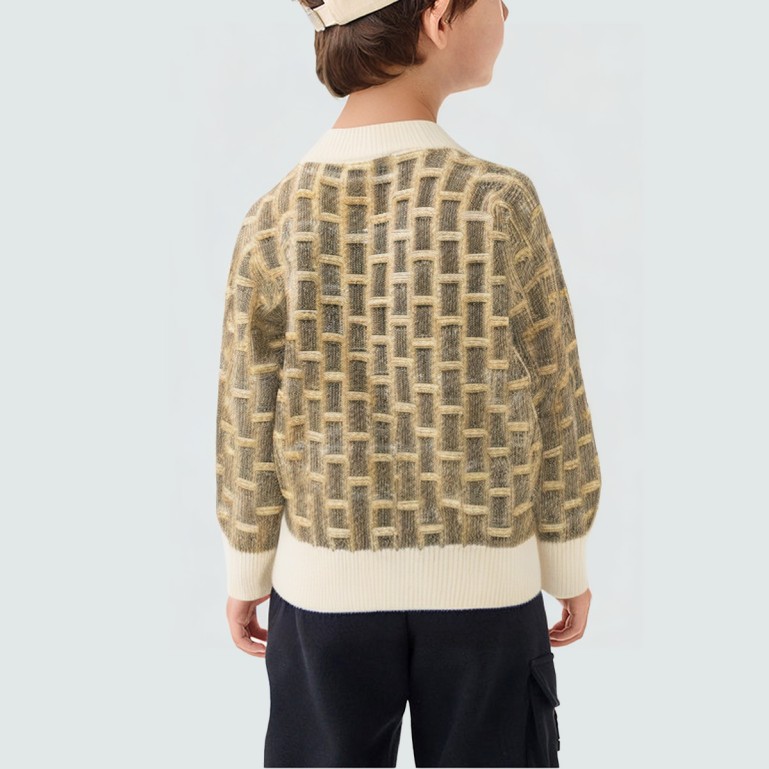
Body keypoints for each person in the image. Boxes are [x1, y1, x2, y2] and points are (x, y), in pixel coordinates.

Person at [214, 1, 602, 766]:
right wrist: (563, 557)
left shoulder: (276, 214)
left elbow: (245, 410)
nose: (506, 11)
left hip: (323, 590)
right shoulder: (498, 201)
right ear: (436, 19)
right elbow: (555, 392)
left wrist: (247, 564)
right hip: (488, 588)